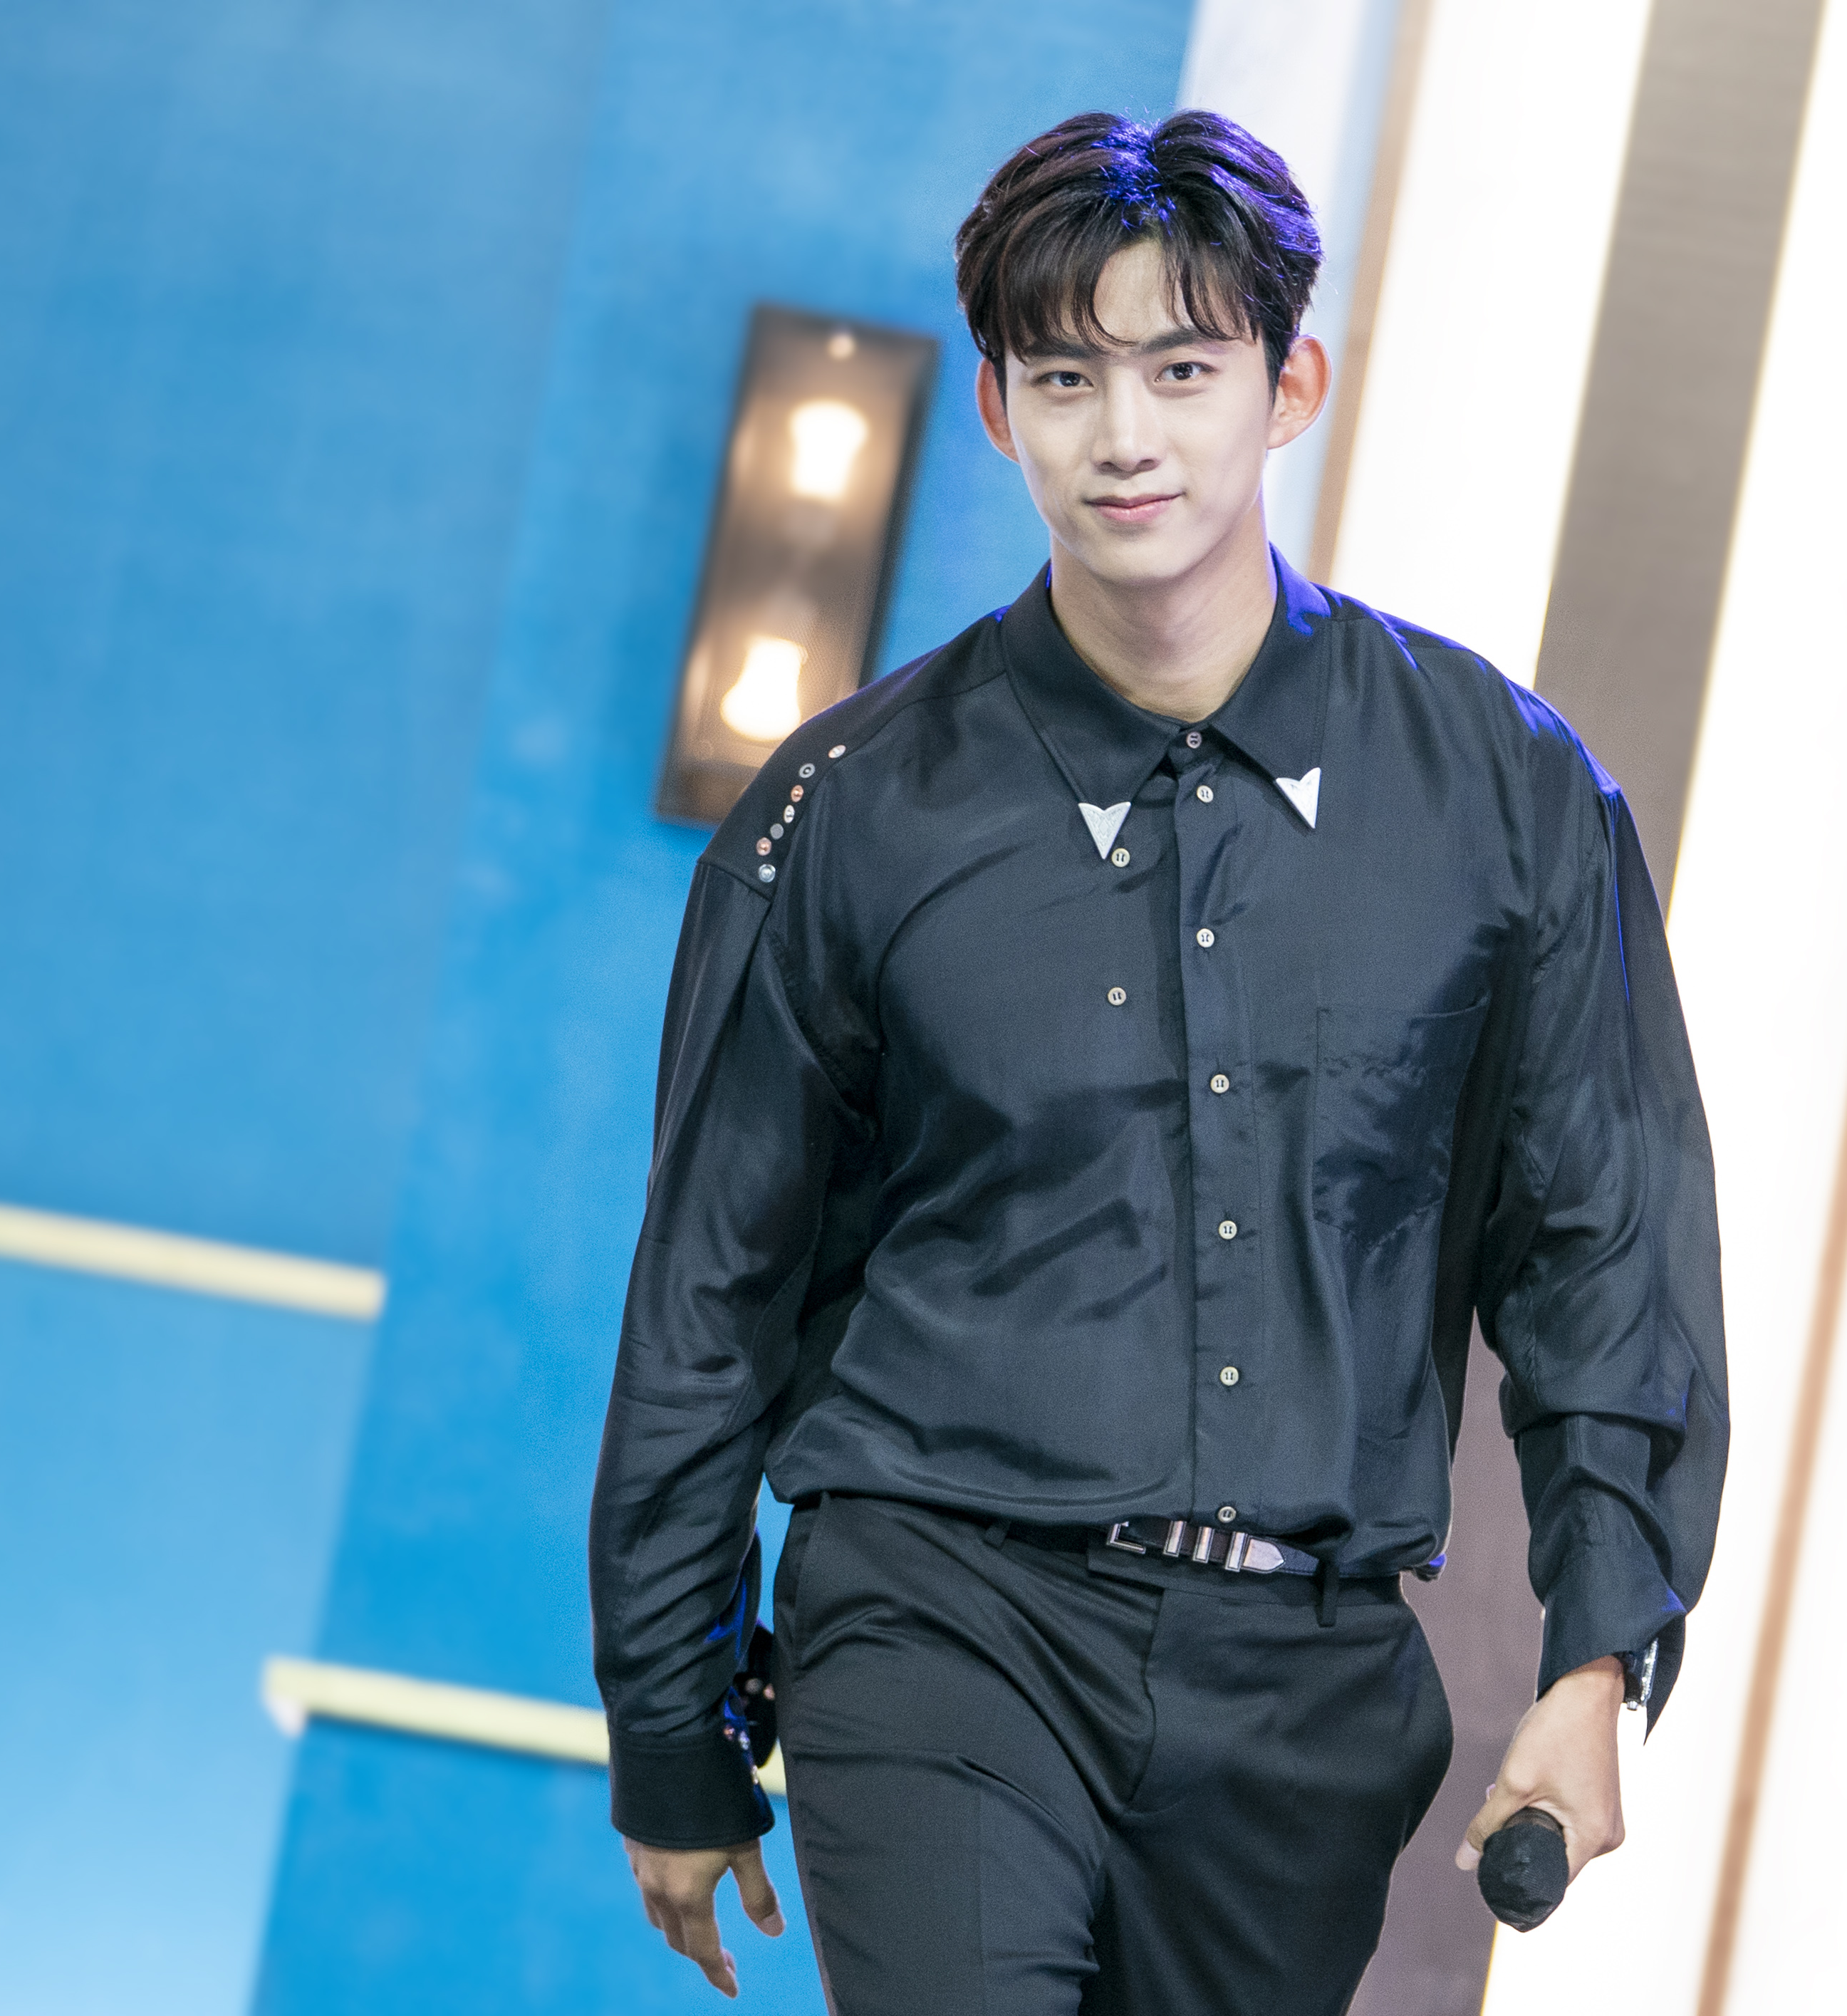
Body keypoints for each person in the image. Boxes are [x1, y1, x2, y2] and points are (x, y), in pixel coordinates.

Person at [590, 108, 1725, 2015]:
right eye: (1067, 379)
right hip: (939, 1618)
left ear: (1292, 389)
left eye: (1184, 371)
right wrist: (670, 1724)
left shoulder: (1505, 797)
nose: (1126, 435)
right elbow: (710, 1288)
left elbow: (1605, 1252)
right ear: (996, 409)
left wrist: (1598, 1661)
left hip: (1307, 1697)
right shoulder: (849, 811)